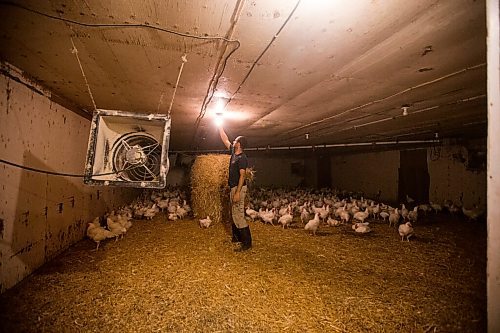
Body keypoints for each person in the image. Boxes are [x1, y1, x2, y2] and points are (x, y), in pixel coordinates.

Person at [218, 125, 252, 252]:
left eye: (235, 140)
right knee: (234, 214)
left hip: (239, 189)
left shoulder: (242, 158)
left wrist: (237, 192)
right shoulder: (234, 152)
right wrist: (220, 126)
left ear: (239, 144)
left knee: (238, 215)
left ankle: (247, 243)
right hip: (233, 187)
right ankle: (236, 238)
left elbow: (242, 176)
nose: (233, 141)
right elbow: (225, 139)